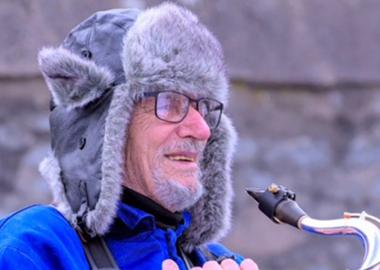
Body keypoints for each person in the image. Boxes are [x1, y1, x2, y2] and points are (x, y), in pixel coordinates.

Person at [0, 3, 258, 270]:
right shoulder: (33, 249)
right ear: (105, 124)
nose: (203, 130)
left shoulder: (222, 262)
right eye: (170, 102)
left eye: (203, 107)